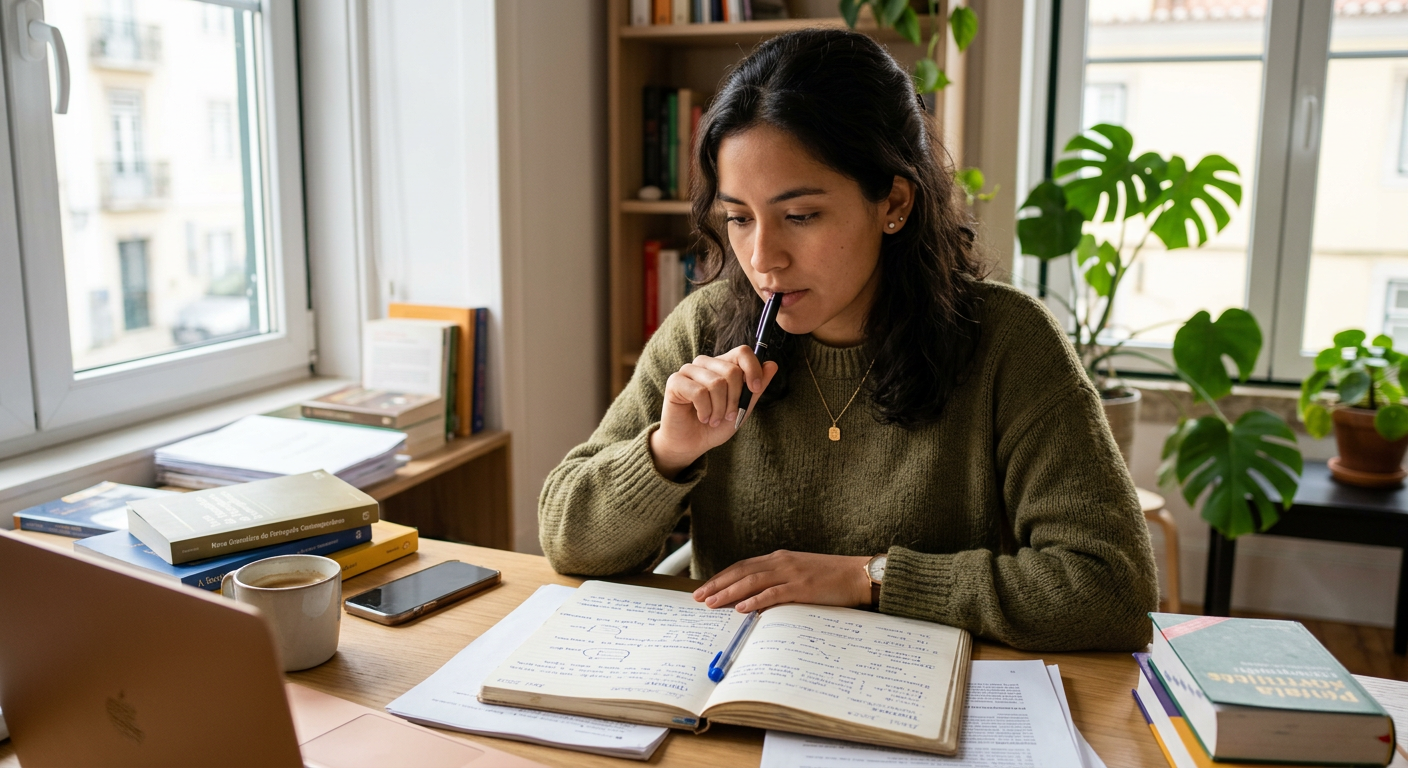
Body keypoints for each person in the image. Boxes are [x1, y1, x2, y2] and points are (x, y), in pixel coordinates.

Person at [539, 28, 1158, 651]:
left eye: (800, 216)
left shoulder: (1007, 343)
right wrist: (667, 451)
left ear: (893, 201)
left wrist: (868, 578)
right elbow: (565, 538)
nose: (762, 258)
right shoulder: (704, 327)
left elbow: (1112, 590)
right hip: (739, 707)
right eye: (739, 218)